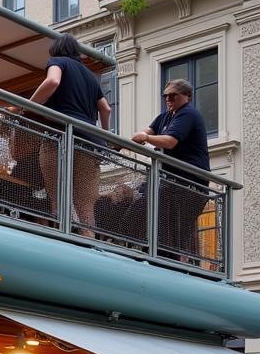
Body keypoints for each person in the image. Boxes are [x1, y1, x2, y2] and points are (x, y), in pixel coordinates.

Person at [28, 34, 112, 235]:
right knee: (85, 205)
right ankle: (89, 243)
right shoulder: (90, 76)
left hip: (60, 137)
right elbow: (106, 109)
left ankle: (67, 237)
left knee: (59, 195)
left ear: (55, 50)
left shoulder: (57, 62)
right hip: (90, 143)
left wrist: (28, 106)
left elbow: (53, 81)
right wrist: (104, 135)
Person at [129, 78, 210, 259]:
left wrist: (145, 138)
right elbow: (146, 132)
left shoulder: (188, 114)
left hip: (189, 183)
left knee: (173, 231)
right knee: (143, 204)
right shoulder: (165, 116)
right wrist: (120, 145)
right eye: (166, 96)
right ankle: (144, 248)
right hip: (169, 182)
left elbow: (170, 141)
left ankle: (174, 260)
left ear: (187, 96)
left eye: (173, 96)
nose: (169, 100)